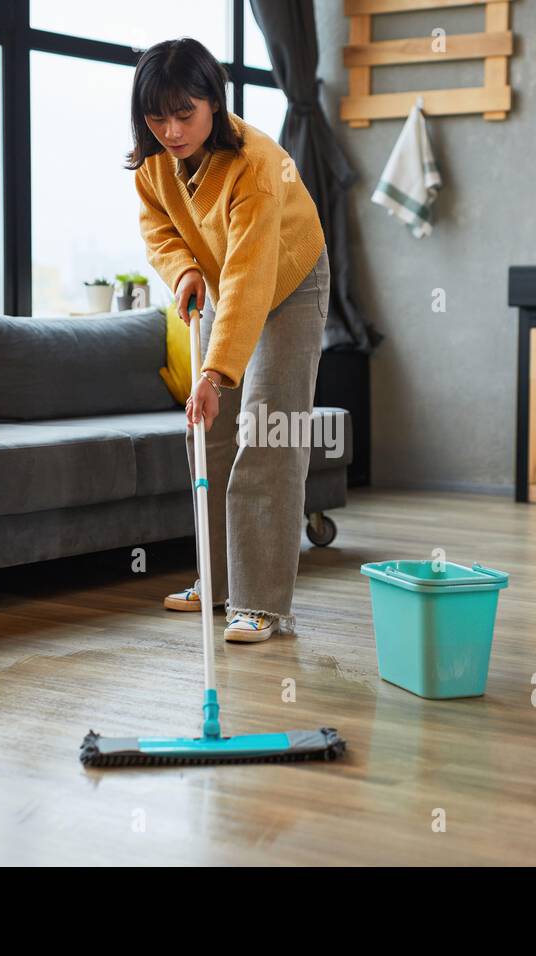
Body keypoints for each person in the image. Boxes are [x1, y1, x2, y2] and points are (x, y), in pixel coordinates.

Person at [126, 37, 330, 643]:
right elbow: (158, 229)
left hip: (288, 279)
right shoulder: (155, 162)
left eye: (184, 113)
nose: (170, 129)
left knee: (268, 431)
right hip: (220, 279)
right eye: (156, 117)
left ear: (214, 102)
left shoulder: (258, 163)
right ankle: (216, 582)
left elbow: (249, 277)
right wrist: (183, 271)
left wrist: (215, 375)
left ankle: (261, 602)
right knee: (206, 435)